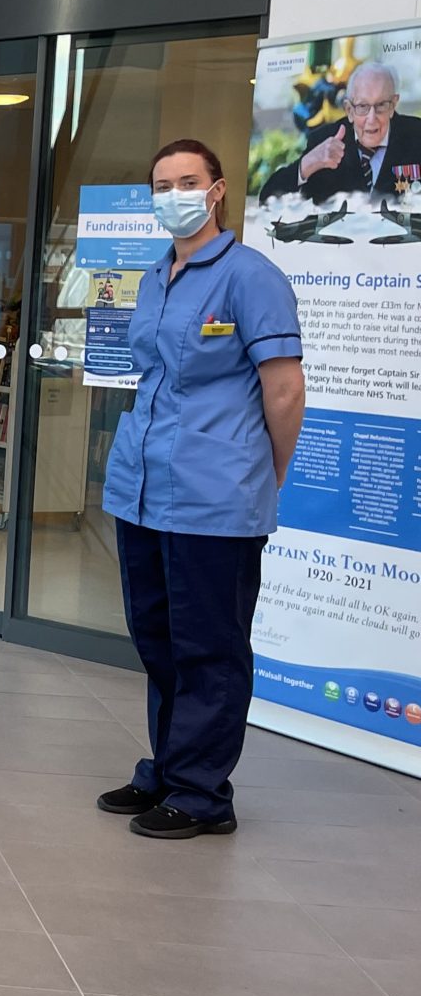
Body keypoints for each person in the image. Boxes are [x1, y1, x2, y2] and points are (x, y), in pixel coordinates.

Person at [98, 139, 304, 839]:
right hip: (143, 488)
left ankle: (202, 792)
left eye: (189, 181)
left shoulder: (251, 276)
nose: (174, 194)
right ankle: (169, 766)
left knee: (209, 647)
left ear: (217, 191)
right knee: (157, 638)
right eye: (162, 184)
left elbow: (284, 389)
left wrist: (262, 476)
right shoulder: (156, 276)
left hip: (216, 497)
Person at [263, 61, 421, 203]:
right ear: (349, 110)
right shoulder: (323, 140)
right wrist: (309, 163)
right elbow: (267, 198)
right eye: (362, 107)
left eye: (381, 105)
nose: (371, 118)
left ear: (393, 104)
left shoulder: (416, 135)